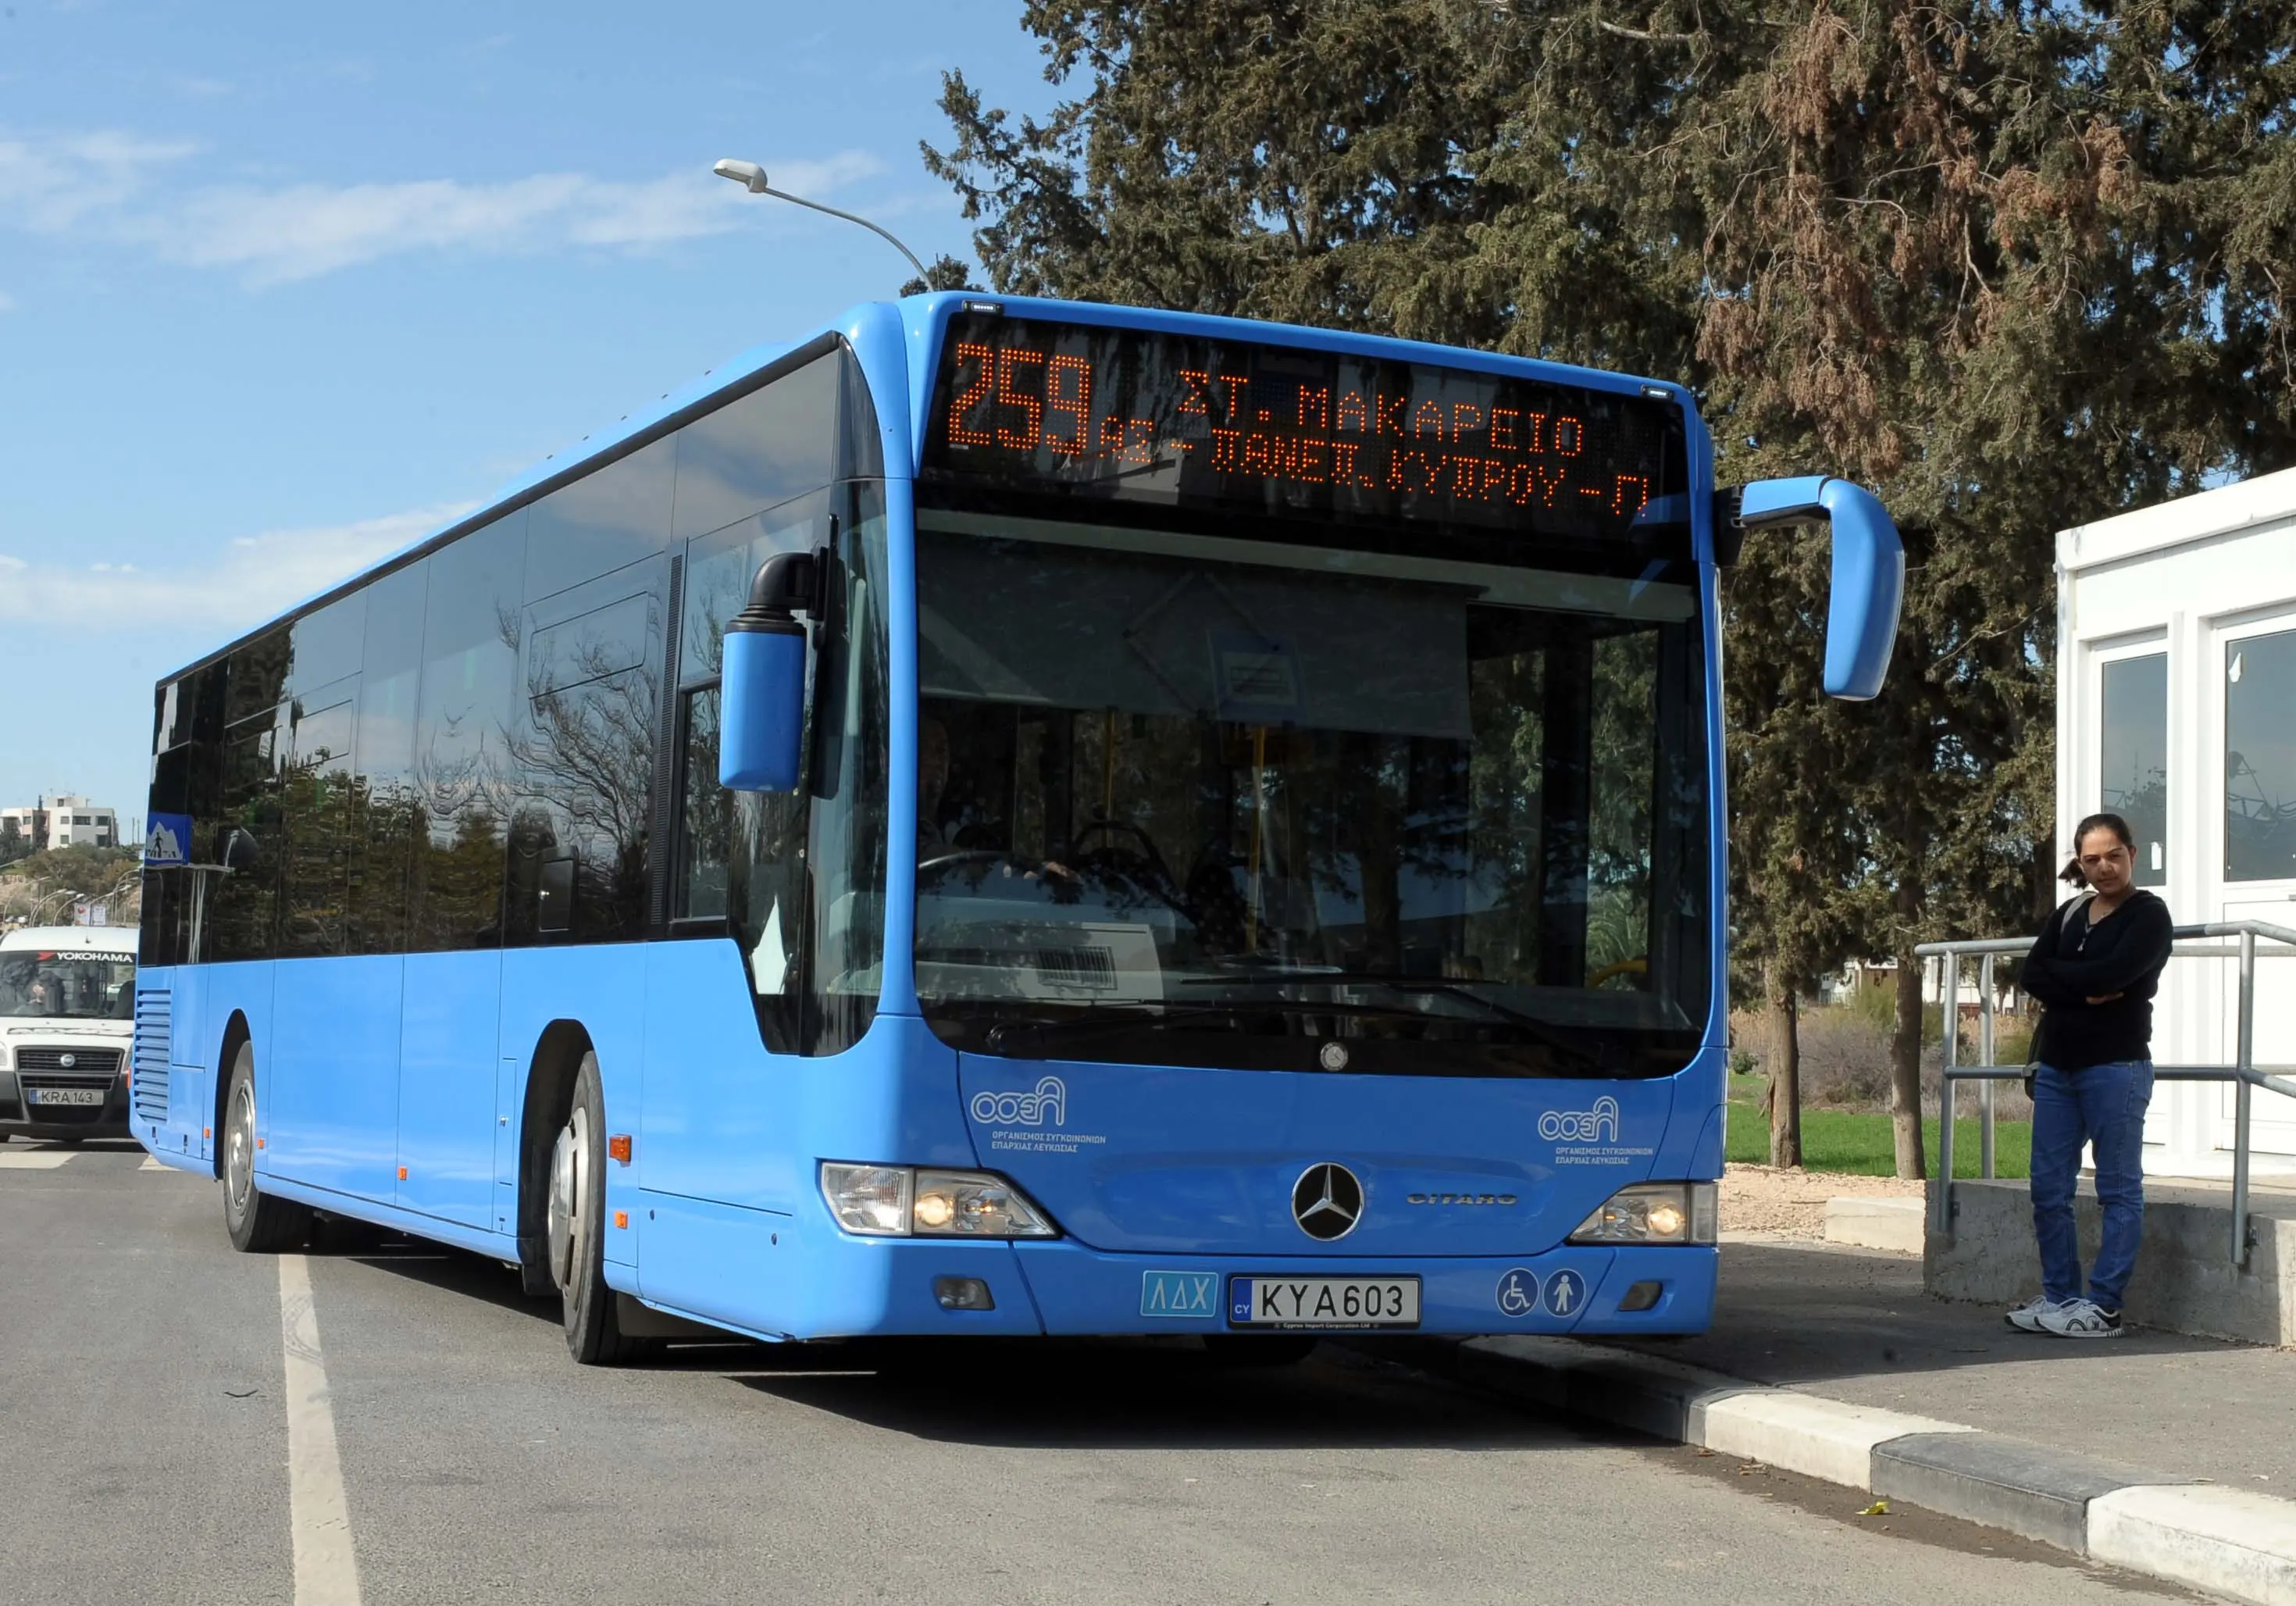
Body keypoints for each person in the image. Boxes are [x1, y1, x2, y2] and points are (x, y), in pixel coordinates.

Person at [2007, 812, 2175, 1339]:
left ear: (2132, 854)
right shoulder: (2072, 912)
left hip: (2115, 1066)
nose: (2104, 868)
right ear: (2080, 864)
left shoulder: (2149, 915)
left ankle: (2103, 1307)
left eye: (2113, 856)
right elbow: (2031, 973)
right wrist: (2085, 992)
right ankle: (2061, 1297)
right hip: (2058, 1067)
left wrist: (2068, 981)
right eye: (2092, 859)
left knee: (2117, 1188)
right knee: (2047, 1188)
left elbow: (2113, 974)